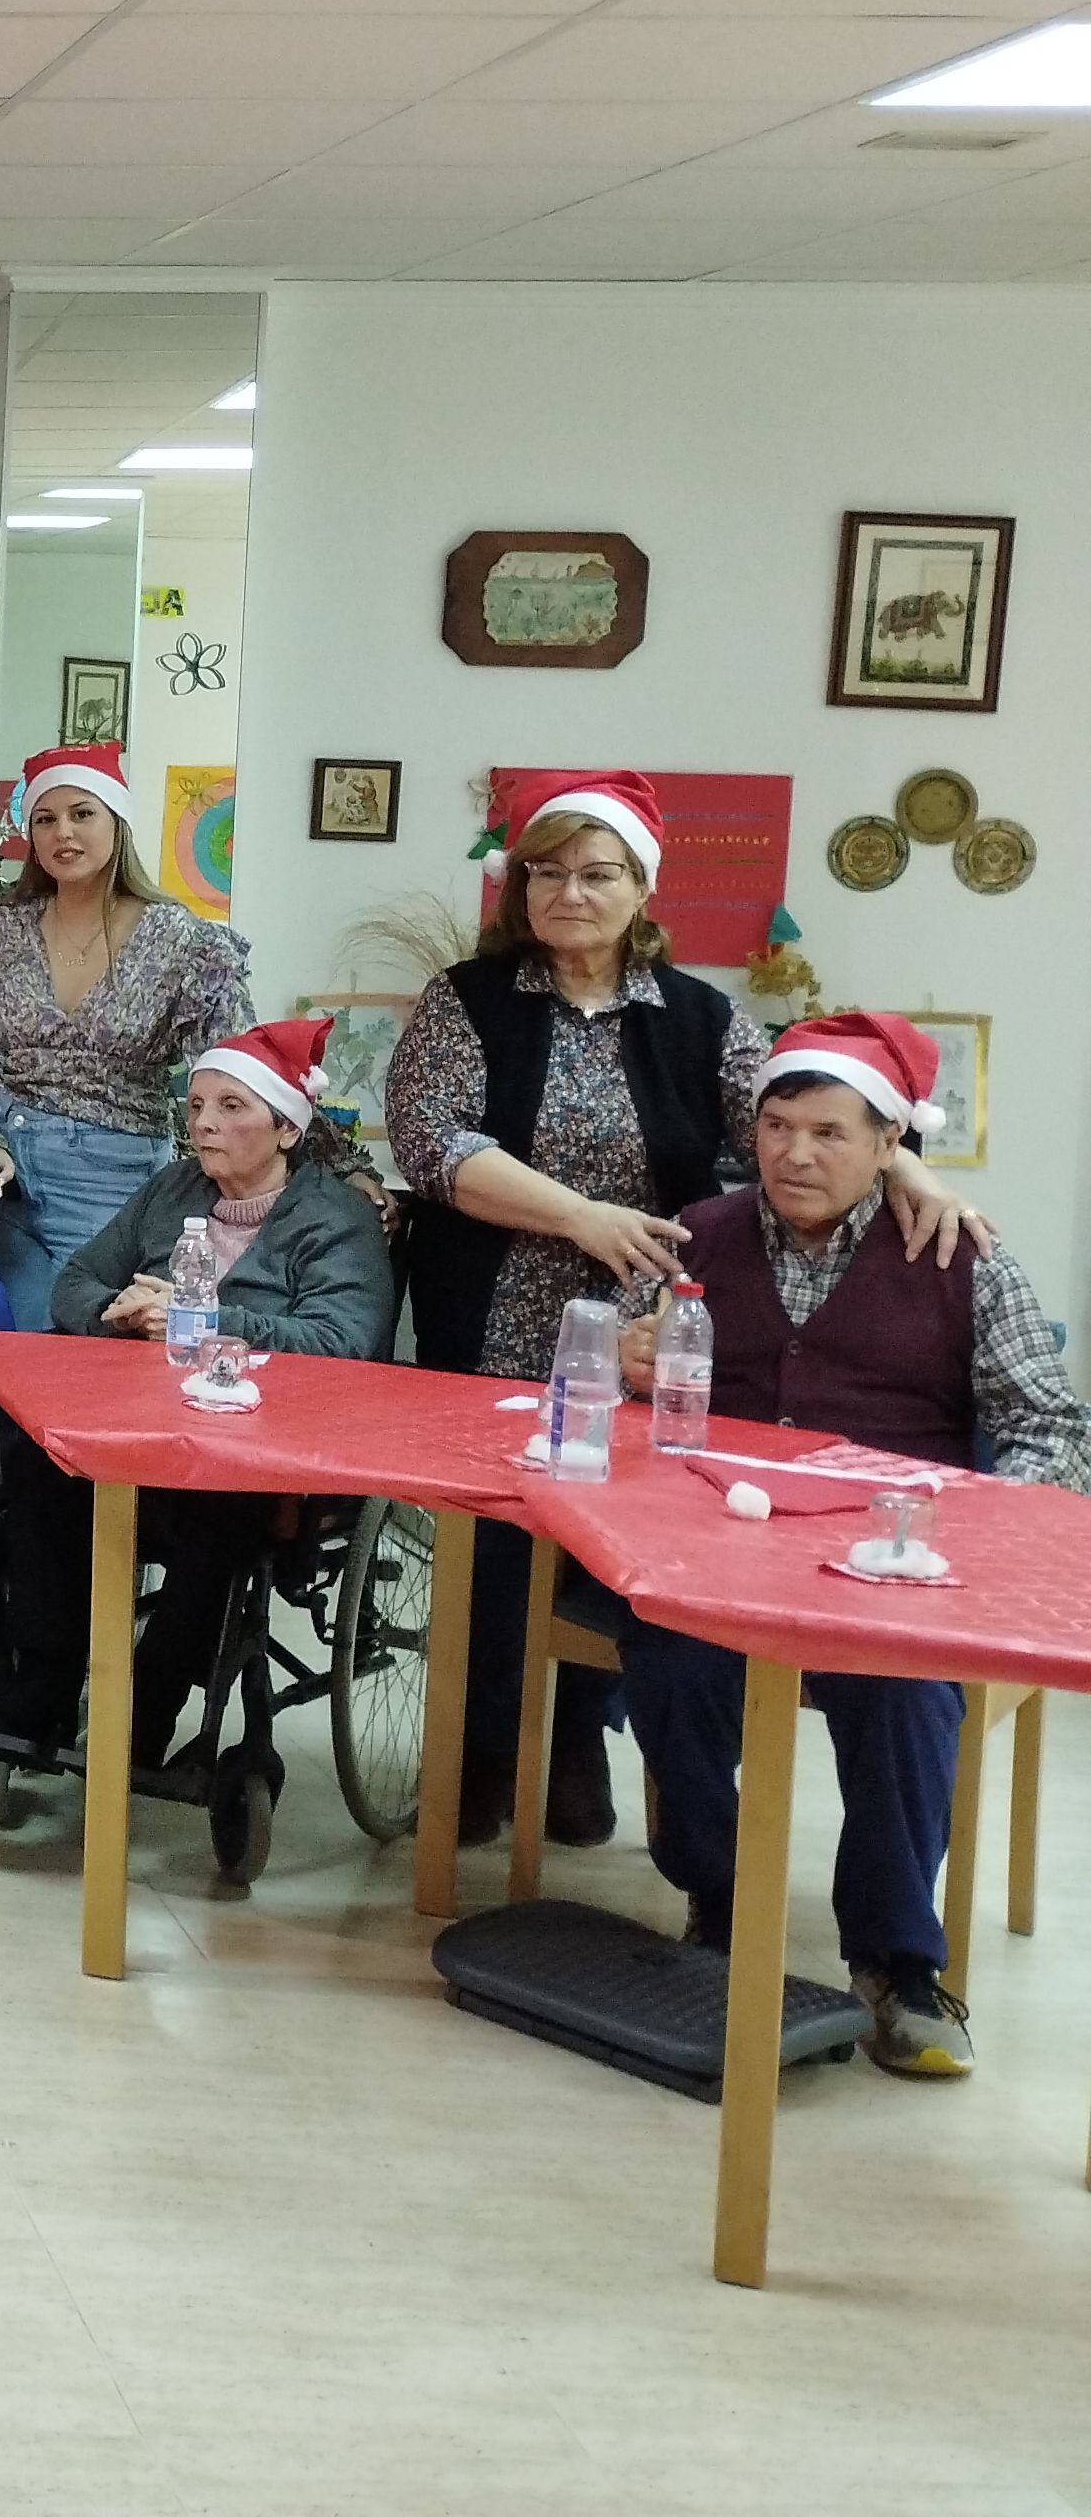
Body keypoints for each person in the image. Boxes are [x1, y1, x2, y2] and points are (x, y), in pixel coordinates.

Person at [386, 771, 978, 1847]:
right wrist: (579, 1219)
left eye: (598, 872)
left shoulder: (704, 1016)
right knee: (498, 1542)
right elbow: (438, 1146)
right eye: (550, 871)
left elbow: (814, 1120)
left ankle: (573, 1752)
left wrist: (916, 1176)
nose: (572, 892)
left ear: (641, 889)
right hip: (500, 1314)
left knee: (618, 1532)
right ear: (520, 885)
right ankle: (477, 1764)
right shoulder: (464, 1001)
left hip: (664, 1324)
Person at [607, 1012, 1090, 2082]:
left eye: (830, 1132)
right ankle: (721, 1893)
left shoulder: (962, 1257)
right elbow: (626, 1391)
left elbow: (1051, 1427)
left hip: (889, 1566)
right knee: (669, 1662)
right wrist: (631, 1366)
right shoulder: (701, 1235)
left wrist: (979, 1531)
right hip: (719, 1550)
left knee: (906, 1695)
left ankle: (895, 1961)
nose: (795, 1154)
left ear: (889, 1146)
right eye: (777, 1127)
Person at [0, 1018, 403, 1767]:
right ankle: (41, 1683)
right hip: (136, 1430)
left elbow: (343, 1344)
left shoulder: (338, 1220)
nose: (204, 1122)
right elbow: (77, 1282)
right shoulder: (171, 1190)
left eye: (232, 1107)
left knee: (217, 1521)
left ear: (286, 1128)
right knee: (38, 1464)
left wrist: (201, 1319)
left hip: (252, 1455)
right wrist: (121, 1315)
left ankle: (149, 1703)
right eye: (198, 1104)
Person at [0, 741, 248, 1328]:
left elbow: (239, 1070)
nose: (64, 833)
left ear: (118, 821)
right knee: (11, 1349)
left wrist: (338, 1168)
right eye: (45, 818)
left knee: (92, 1353)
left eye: (83, 813)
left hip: (116, 1178)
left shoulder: (183, 942)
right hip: (6, 1179)